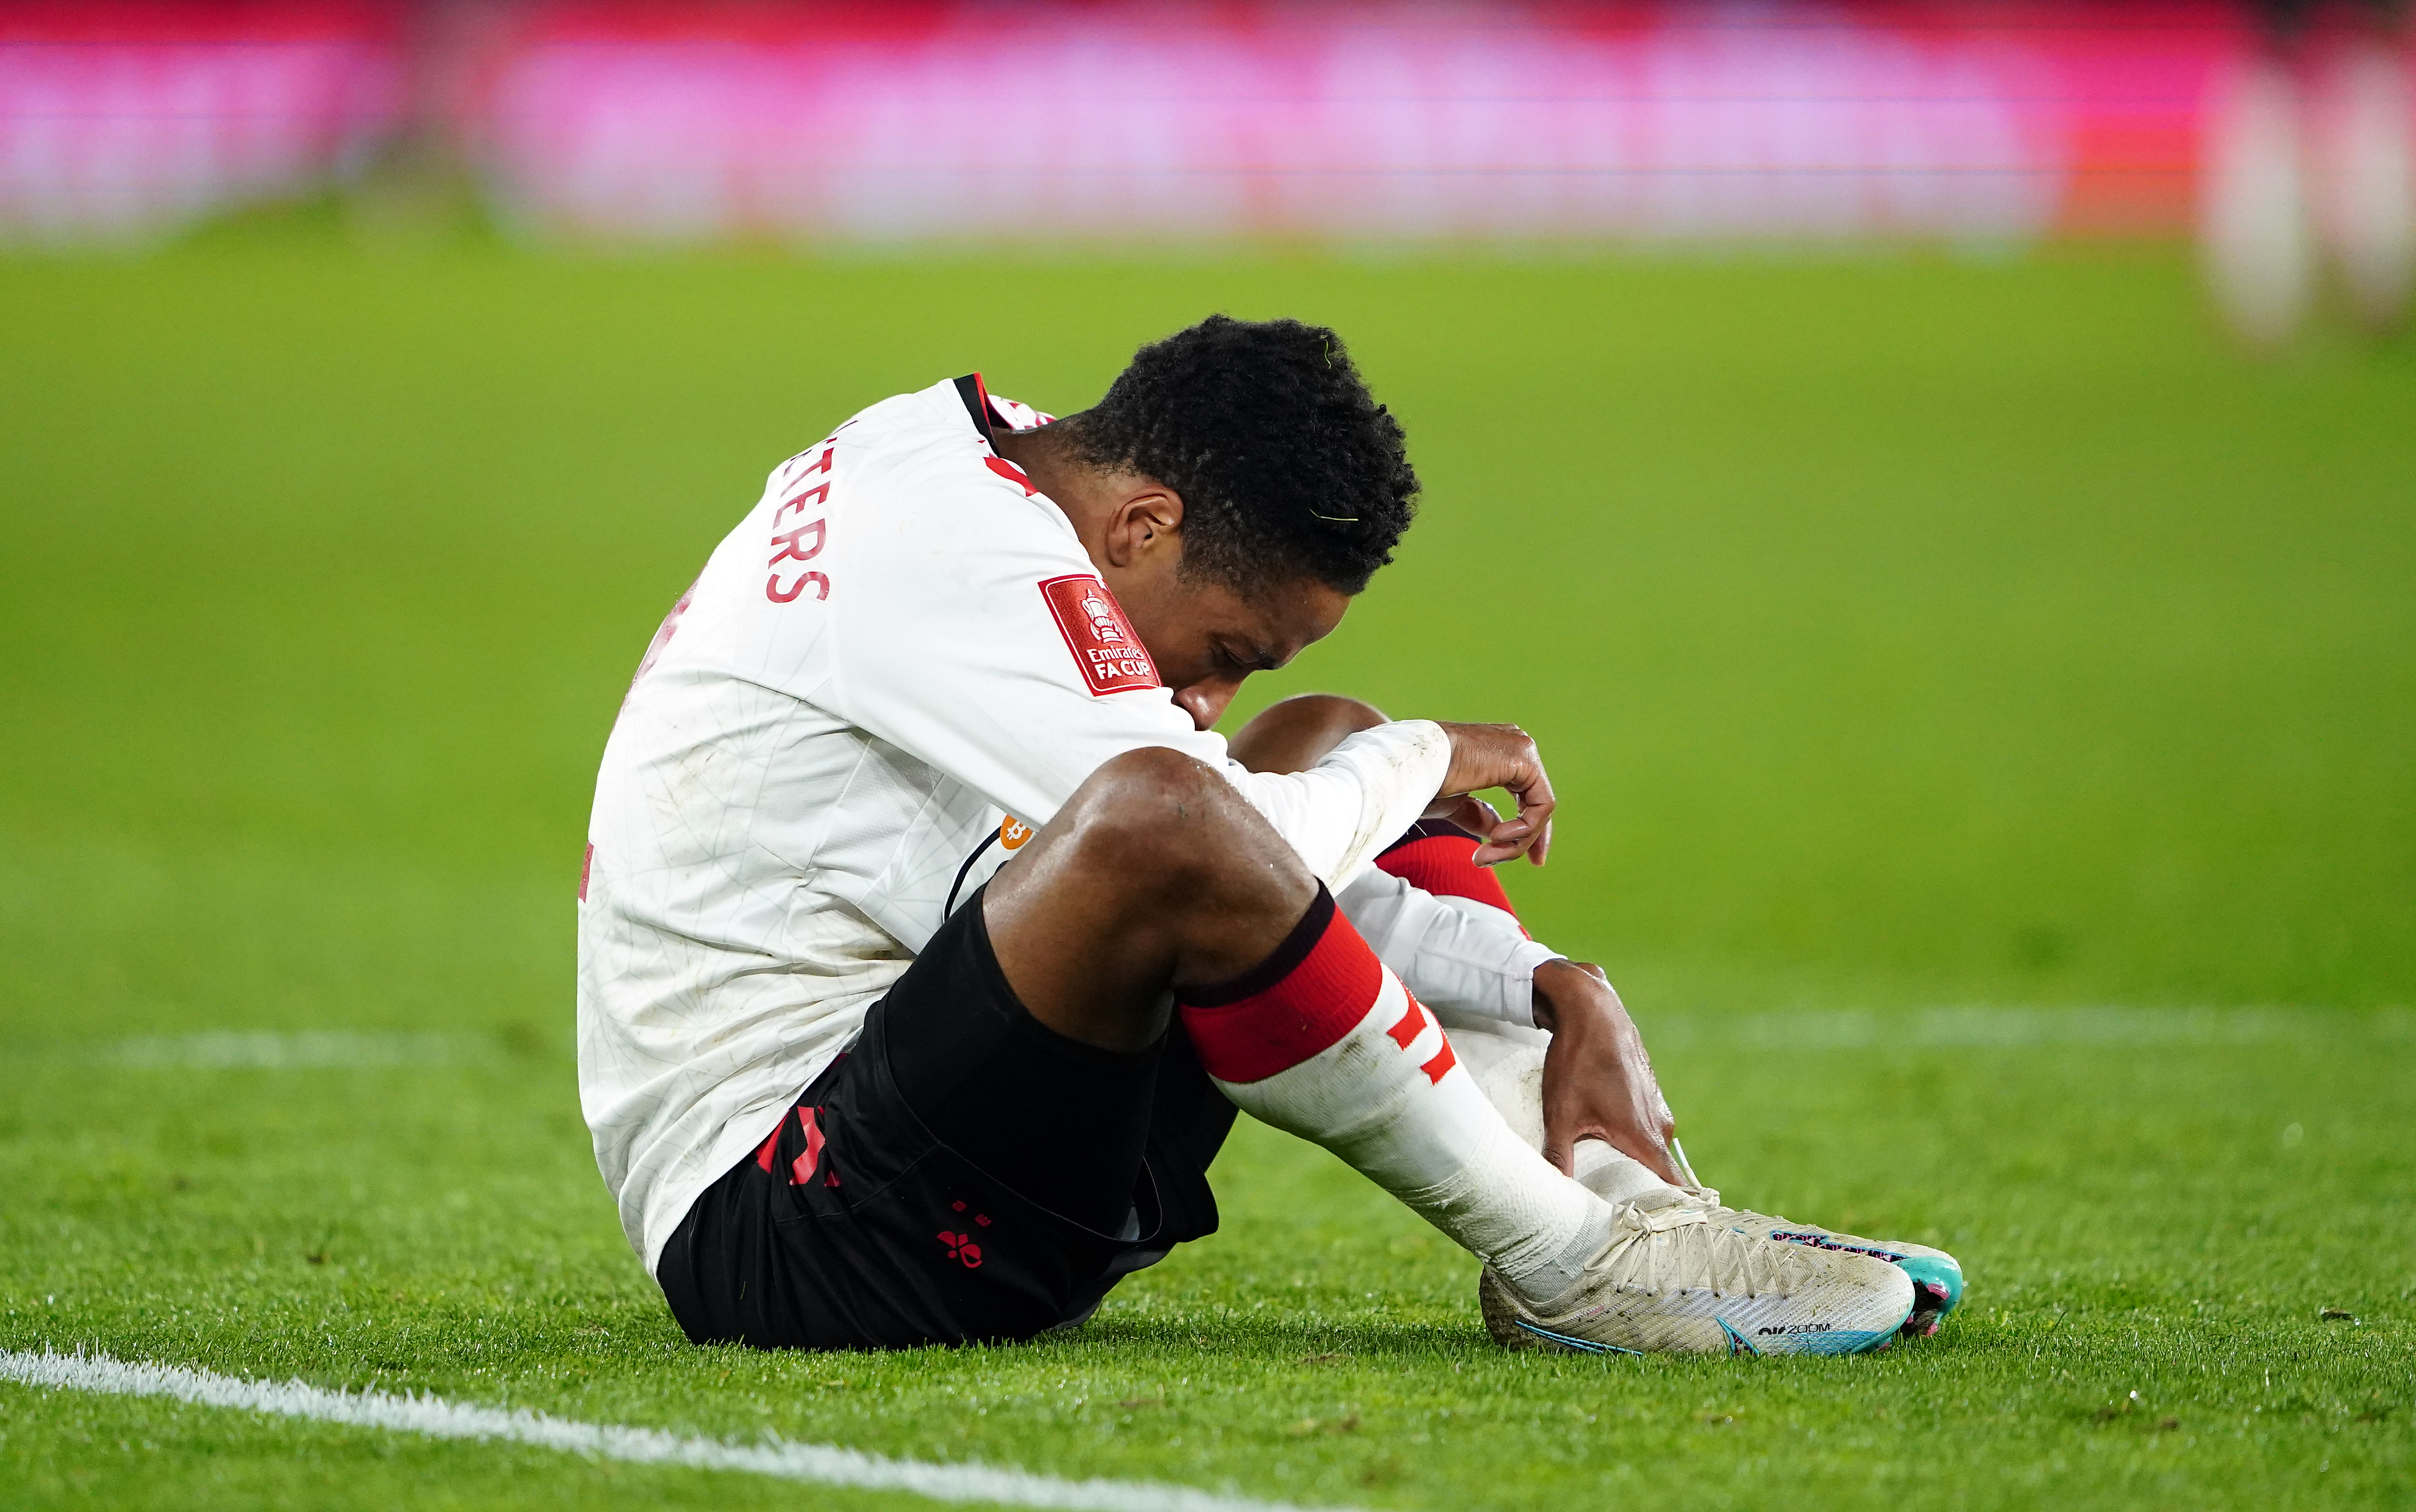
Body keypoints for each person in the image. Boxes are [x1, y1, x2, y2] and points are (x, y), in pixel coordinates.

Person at [576, 315, 1963, 1356]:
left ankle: (1632, 1204)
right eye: (1228, 648)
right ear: (1143, 524)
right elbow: (1221, 838)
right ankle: (1576, 1262)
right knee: (1190, 806)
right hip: (794, 1224)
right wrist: (1429, 756)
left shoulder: (993, 468)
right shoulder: (945, 545)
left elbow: (1270, 851)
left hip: (952, 1121)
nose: (1209, 696)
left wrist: (1545, 982)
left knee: (1317, 740)